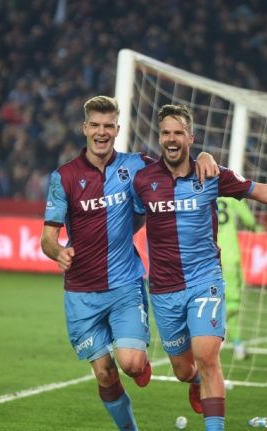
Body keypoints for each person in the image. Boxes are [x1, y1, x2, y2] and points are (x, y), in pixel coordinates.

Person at [130, 104, 267, 431]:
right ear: (160, 137)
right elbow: (130, 220)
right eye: (166, 133)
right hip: (164, 289)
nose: (172, 139)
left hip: (204, 280)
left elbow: (261, 191)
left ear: (191, 138)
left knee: (207, 356)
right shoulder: (143, 179)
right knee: (183, 369)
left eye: (178, 133)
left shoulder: (211, 174)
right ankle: (194, 382)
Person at [40, 96, 218, 430]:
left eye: (108, 126)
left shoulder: (136, 166)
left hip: (125, 286)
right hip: (81, 293)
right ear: (85, 128)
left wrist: (205, 156)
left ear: (118, 129)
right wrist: (58, 251)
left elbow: (177, 160)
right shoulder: (64, 177)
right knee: (105, 374)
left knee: (132, 365)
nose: (102, 132)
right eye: (95, 125)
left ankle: (193, 379)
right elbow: (47, 237)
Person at [216, 196, 262, 360]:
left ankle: (238, 345)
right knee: (233, 302)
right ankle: (216, 331)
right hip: (229, 256)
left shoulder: (203, 193)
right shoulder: (231, 194)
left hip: (208, 257)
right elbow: (248, 219)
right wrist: (258, 228)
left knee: (216, 300)